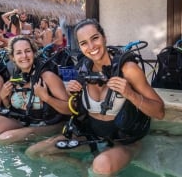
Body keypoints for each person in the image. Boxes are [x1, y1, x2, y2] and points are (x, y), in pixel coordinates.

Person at [26, 18, 165, 176]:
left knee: (101, 166)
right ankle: (82, 167)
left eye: (95, 38)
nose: (91, 47)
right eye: (84, 43)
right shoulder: (83, 70)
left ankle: (93, 167)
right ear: (79, 46)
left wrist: (130, 94)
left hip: (123, 142)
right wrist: (75, 96)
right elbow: (73, 111)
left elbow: (160, 112)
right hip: (91, 136)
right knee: (34, 152)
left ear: (104, 37)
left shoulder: (128, 69)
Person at [0, 35, 71, 144]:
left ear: (34, 53)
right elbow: (12, 108)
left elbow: (70, 110)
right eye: (18, 52)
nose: (24, 56)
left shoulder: (47, 76)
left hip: (49, 125)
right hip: (24, 122)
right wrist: (4, 98)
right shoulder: (15, 77)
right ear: (13, 57)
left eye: (27, 51)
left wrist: (46, 98)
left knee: (4, 138)